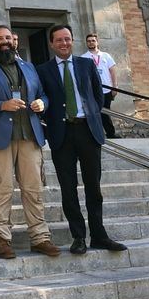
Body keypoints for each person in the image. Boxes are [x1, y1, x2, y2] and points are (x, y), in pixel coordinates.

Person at [0, 25, 60, 259]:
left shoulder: (29, 67)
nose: (5, 41)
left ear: (14, 41)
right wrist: (1, 106)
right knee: (1, 189)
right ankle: (2, 238)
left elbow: (44, 95)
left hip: (30, 135)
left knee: (34, 189)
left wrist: (42, 104)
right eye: (0, 38)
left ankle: (40, 237)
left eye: (8, 37)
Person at [36, 25, 127, 255]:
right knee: (68, 189)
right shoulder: (43, 70)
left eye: (67, 39)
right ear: (51, 43)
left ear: (72, 40)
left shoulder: (86, 64)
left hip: (88, 131)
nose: (64, 43)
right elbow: (42, 98)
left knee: (93, 187)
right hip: (62, 134)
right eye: (59, 40)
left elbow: (98, 94)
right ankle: (78, 237)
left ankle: (99, 235)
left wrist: (93, 114)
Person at [82, 33, 118, 138]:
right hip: (92, 91)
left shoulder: (106, 56)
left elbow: (113, 71)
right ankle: (96, 134)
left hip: (106, 90)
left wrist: (114, 87)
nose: (91, 42)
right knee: (94, 112)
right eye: (88, 41)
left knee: (106, 112)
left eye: (93, 40)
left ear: (97, 42)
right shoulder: (84, 57)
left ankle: (111, 133)